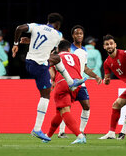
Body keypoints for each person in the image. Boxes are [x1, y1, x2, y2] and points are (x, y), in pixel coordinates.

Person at [11, 13, 86, 141]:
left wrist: (16, 43)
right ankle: (37, 129)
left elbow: (19, 28)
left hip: (29, 62)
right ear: (58, 24)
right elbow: (62, 46)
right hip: (39, 66)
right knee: (45, 96)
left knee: (56, 59)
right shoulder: (57, 34)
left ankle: (71, 82)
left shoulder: (36, 26)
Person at [57, 25, 102, 138]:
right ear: (73, 35)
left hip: (81, 82)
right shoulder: (68, 49)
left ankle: (81, 130)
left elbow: (85, 68)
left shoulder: (84, 51)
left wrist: (96, 76)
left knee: (86, 106)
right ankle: (61, 131)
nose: (79, 35)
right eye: (76, 33)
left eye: (81, 33)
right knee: (67, 108)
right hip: (69, 82)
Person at [46, 40, 87, 144]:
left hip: (63, 82)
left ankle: (80, 136)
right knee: (59, 112)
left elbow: (52, 75)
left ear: (58, 49)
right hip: (77, 83)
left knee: (64, 111)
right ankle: (47, 136)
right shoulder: (75, 57)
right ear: (69, 49)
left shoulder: (56, 57)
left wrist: (51, 82)